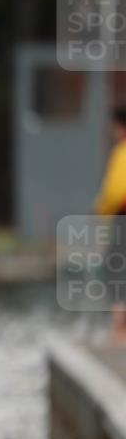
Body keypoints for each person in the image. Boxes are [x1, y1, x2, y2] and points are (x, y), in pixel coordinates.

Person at [94, 107, 126, 344]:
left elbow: (115, 192)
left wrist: (99, 212)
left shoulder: (122, 152)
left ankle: (119, 330)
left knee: (116, 271)